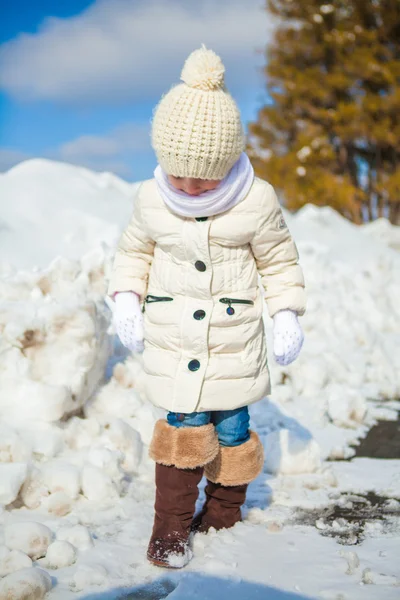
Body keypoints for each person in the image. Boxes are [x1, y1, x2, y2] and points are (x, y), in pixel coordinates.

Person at [106, 45, 306, 569]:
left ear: (228, 162)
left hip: (233, 342)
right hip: (176, 343)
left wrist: (286, 313)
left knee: (233, 431)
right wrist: (127, 300)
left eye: (205, 176)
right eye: (179, 175)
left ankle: (223, 512)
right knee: (183, 427)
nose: (191, 186)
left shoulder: (256, 200)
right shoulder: (151, 201)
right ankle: (169, 529)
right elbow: (133, 253)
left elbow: (280, 262)